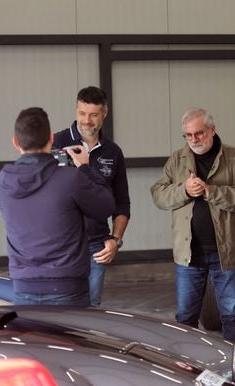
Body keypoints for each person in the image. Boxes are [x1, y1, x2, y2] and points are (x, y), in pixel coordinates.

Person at [150, 108, 235, 346]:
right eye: (188, 135)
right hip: (188, 254)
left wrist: (212, 191)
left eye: (199, 133)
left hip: (227, 253)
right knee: (185, 317)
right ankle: (187, 375)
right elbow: (158, 195)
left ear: (213, 129)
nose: (194, 140)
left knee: (231, 315)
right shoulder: (177, 160)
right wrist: (184, 190)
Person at [0, 107, 116, 306]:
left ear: (16, 142)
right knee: (70, 338)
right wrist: (85, 168)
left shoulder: (1, 182)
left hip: (24, 286)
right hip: (68, 286)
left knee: (35, 338)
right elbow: (106, 206)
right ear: (50, 139)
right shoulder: (71, 179)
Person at [53, 86, 131, 306]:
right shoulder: (55, 144)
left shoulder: (112, 152)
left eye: (93, 114)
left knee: (91, 310)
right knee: (59, 311)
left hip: (96, 247)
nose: (86, 121)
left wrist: (115, 240)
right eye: (82, 113)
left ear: (104, 114)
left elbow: (122, 202)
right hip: (61, 247)